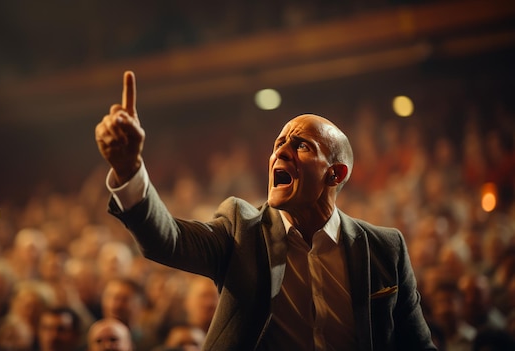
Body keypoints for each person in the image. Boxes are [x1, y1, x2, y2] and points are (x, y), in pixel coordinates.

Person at [95, 71, 436, 350]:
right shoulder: (241, 228)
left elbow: (418, 345)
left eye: (301, 145)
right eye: (278, 144)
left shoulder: (385, 248)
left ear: (336, 173)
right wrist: (129, 171)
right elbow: (166, 239)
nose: (281, 152)